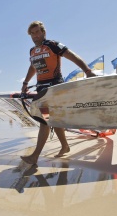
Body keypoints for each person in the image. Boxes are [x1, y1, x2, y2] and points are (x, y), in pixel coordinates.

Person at [20, 21, 96, 165]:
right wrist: (25, 83)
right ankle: (65, 146)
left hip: (55, 87)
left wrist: (88, 71)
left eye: (37, 32)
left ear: (43, 32)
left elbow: (71, 55)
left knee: (45, 120)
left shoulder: (53, 45)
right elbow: (33, 67)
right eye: (32, 33)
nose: (35, 35)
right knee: (52, 119)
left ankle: (35, 156)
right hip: (41, 89)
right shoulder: (32, 51)